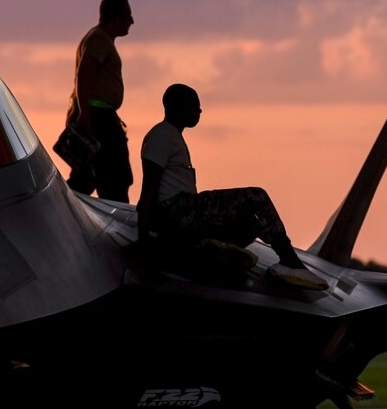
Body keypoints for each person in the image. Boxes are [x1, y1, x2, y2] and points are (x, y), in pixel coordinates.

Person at [138, 84, 328, 291]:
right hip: (178, 210)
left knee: (252, 223)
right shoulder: (162, 134)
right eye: (194, 106)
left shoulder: (171, 135)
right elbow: (149, 185)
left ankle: (212, 252)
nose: (199, 111)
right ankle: (290, 262)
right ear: (177, 107)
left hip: (184, 214)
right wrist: (144, 233)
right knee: (256, 196)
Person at [66, 0, 135, 202]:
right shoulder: (99, 39)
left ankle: (65, 210)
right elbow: (84, 74)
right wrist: (86, 114)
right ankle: (121, 224)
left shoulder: (100, 39)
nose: (131, 21)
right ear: (115, 17)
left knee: (87, 177)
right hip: (98, 117)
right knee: (115, 176)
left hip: (99, 115)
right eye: (128, 16)